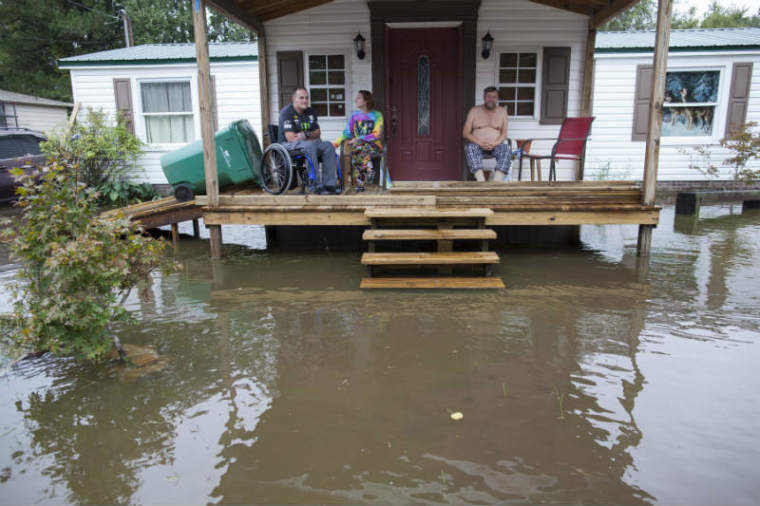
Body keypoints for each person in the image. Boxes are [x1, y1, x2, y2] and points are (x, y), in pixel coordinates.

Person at [278, 87, 339, 194]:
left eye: (306, 98)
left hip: (307, 144)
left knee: (328, 146)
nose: (305, 100)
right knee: (310, 146)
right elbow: (291, 138)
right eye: (301, 98)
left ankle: (329, 184)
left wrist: (304, 134)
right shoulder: (286, 112)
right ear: (294, 99)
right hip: (288, 146)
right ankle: (314, 185)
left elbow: (318, 132)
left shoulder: (310, 111)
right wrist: (311, 136)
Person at [333, 90, 384, 192]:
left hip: (374, 146)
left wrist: (360, 138)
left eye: (359, 97)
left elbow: (377, 134)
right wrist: (336, 143)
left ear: (366, 101)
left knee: (357, 147)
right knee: (358, 149)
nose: (355, 99)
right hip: (359, 147)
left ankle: (361, 181)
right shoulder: (354, 116)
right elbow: (347, 133)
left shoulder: (377, 115)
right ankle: (368, 169)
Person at [462, 86, 511, 182]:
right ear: (484, 97)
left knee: (507, 149)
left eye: (494, 97)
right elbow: (465, 133)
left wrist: (495, 143)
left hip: (496, 145)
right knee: (469, 148)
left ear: (497, 98)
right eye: (488, 96)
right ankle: (481, 182)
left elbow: (504, 133)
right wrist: (480, 143)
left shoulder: (502, 112)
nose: (491, 99)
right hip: (477, 145)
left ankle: (496, 182)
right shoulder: (474, 111)